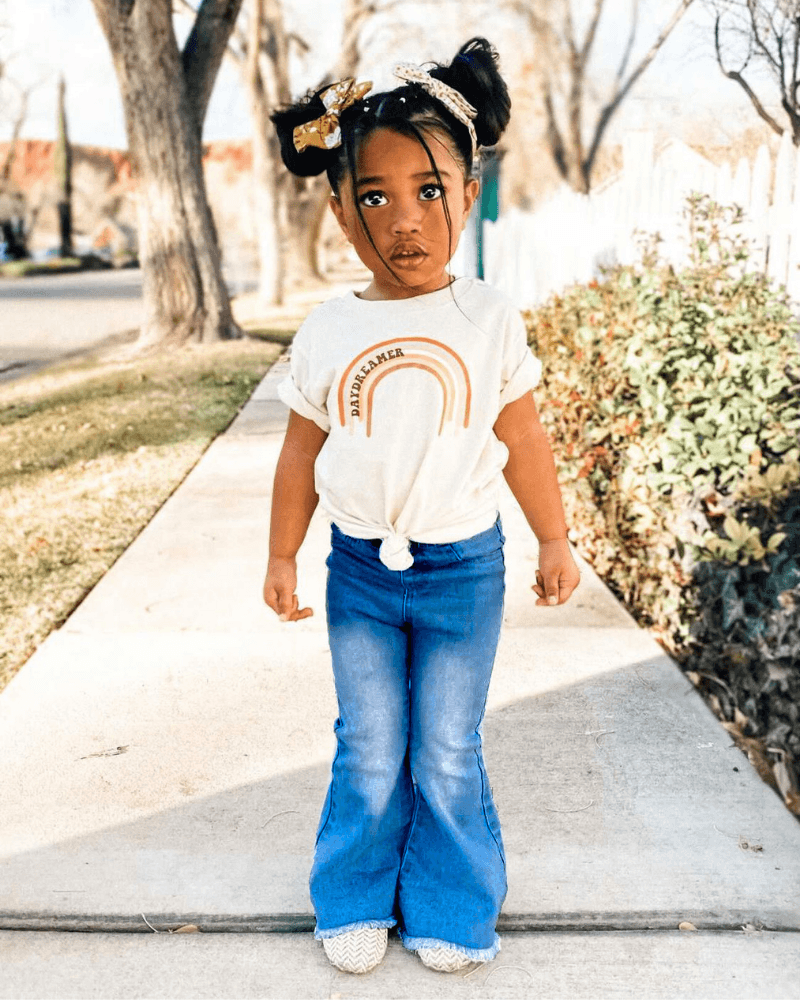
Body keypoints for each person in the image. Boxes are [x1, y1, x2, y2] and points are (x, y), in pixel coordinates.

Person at [263, 37, 580, 976]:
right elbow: (298, 455)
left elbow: (523, 441)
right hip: (360, 571)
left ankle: (450, 900)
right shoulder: (330, 330)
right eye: (374, 196)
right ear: (339, 210)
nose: (403, 219)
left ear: (467, 192)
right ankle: (354, 893)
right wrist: (282, 556)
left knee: (445, 746)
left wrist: (552, 538)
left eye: (427, 190)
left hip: (462, 572)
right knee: (369, 745)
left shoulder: (486, 319)